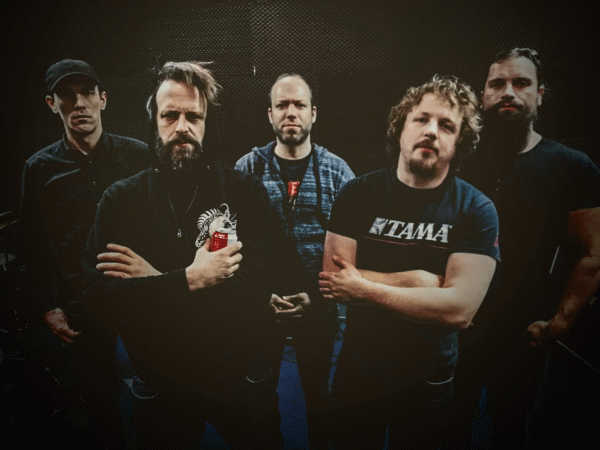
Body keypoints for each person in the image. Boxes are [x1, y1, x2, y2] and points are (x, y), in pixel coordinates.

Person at [81, 61, 283, 450]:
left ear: (208, 123)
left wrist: (152, 281)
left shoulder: (245, 192)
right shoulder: (121, 200)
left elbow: (259, 290)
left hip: (238, 380)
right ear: (154, 121)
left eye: (194, 116)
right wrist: (190, 279)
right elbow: (100, 299)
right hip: (162, 384)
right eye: (170, 115)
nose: (182, 127)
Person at [318, 75, 500, 449]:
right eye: (421, 119)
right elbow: (336, 281)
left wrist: (365, 287)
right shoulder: (357, 194)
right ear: (401, 127)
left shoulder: (476, 209)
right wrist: (422, 281)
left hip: (429, 377)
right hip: (360, 369)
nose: (431, 131)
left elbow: (459, 310)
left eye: (447, 125)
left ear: (459, 142)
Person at [449, 48, 600, 449]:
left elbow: (595, 251)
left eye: (521, 83)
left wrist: (559, 322)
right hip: (456, 323)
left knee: (510, 431)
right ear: (483, 95)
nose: (508, 92)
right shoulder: (456, 158)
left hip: (523, 331)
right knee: (447, 430)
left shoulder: (571, 166)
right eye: (497, 84)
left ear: (540, 94)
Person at [19, 59, 150, 448]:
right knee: (101, 410)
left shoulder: (139, 156)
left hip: (140, 297)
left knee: (159, 402)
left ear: (103, 99)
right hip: (81, 305)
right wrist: (47, 307)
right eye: (67, 95)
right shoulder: (39, 169)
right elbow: (31, 247)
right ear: (51, 104)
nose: (79, 104)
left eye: (87, 93)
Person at [235, 74, 354, 449]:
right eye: (282, 105)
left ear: (313, 113)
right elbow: (230, 244)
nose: (291, 112)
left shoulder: (338, 172)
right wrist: (257, 297)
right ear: (270, 115)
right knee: (259, 402)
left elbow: (352, 254)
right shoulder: (246, 169)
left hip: (319, 306)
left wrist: (318, 300)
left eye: (299, 105)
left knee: (320, 401)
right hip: (260, 307)